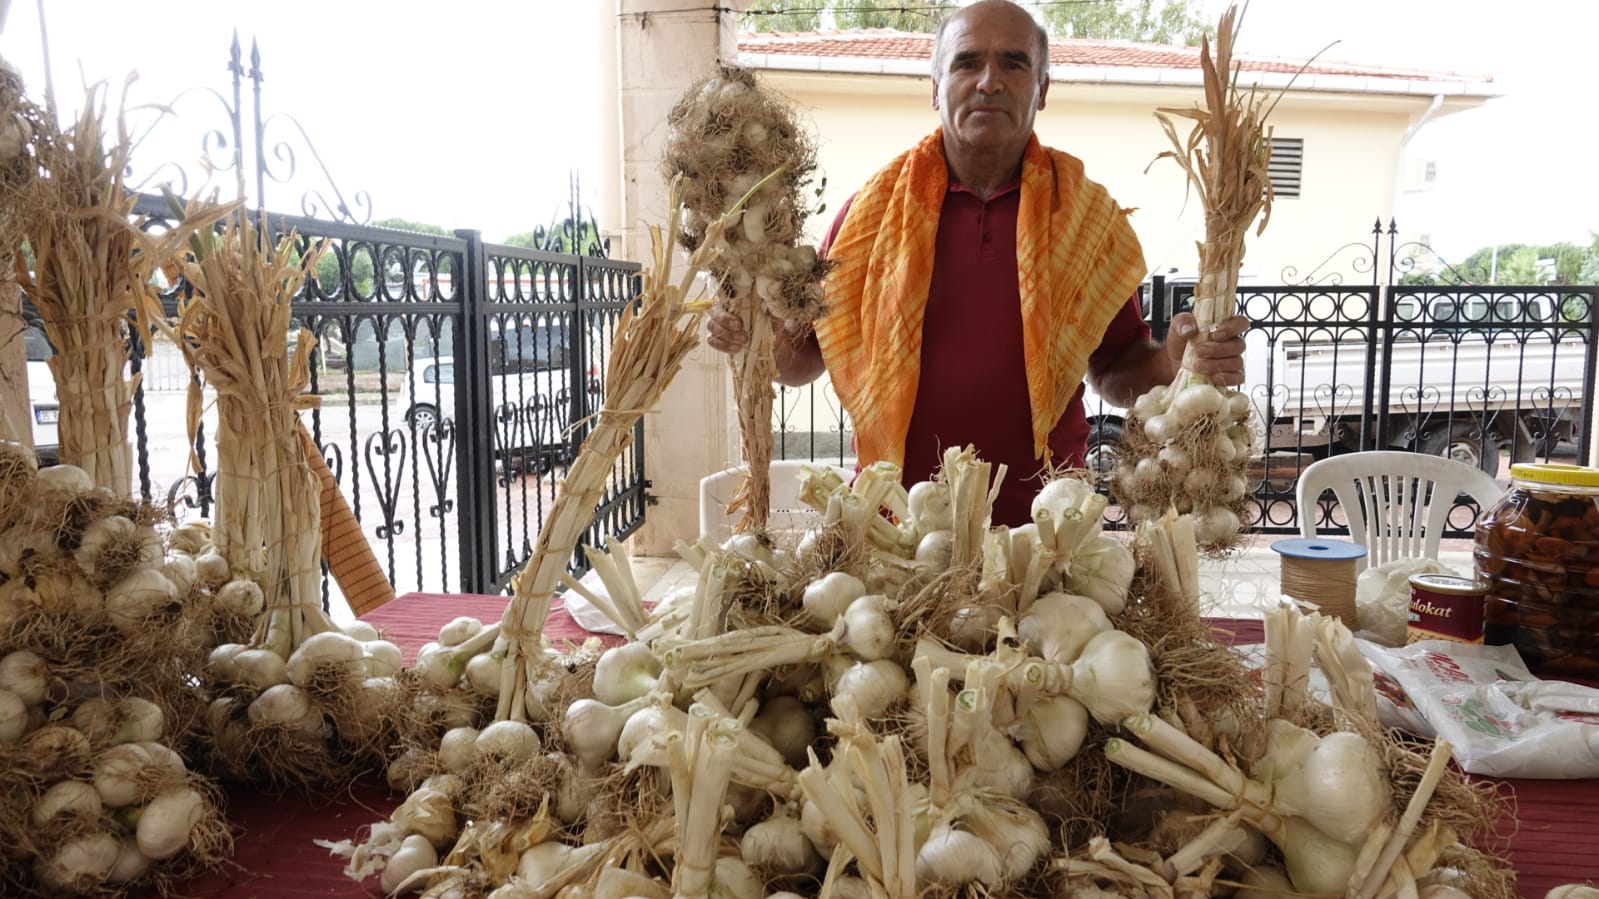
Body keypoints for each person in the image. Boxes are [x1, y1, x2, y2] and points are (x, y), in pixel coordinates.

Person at [705, 0, 1248, 526]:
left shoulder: (1087, 219)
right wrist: (755, 336)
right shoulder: (866, 216)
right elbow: (802, 360)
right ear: (936, 87)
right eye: (967, 62)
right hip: (892, 528)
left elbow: (1115, 369)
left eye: (1014, 63)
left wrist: (1177, 365)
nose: (990, 80)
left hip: (1047, 534)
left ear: (1042, 89)